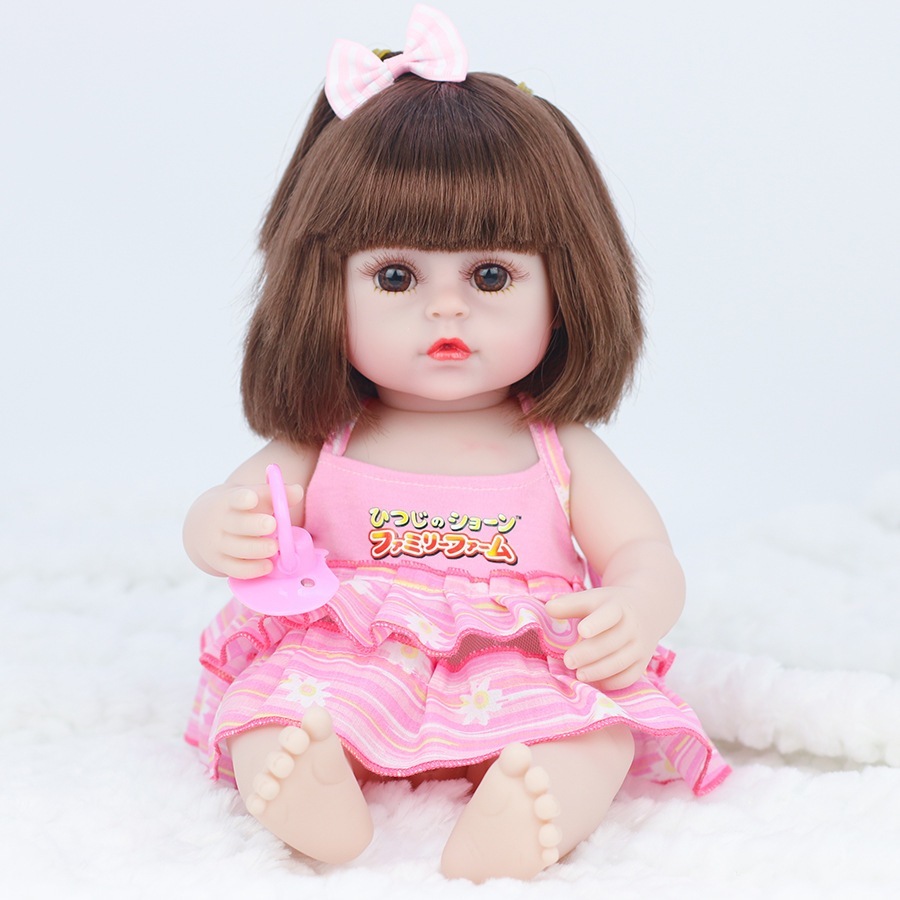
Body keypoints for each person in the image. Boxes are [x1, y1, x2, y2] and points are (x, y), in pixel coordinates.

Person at [183, 4, 730, 882]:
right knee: (276, 707)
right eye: (396, 275)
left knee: (596, 730)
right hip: (347, 658)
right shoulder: (327, 438)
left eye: (491, 275)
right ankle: (306, 787)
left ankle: (533, 805)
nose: (446, 307)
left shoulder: (556, 445)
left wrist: (637, 605)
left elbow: (640, 549)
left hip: (518, 662)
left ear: (567, 288)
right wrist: (218, 526)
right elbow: (236, 503)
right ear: (323, 290)